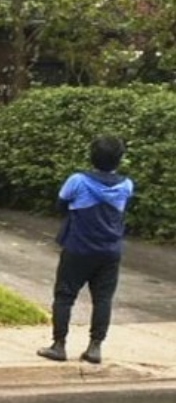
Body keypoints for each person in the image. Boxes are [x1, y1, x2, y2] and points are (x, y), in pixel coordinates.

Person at [37, 136, 134, 365]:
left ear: (92, 156)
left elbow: (60, 205)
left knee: (64, 296)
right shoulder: (126, 185)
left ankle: (59, 345)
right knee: (103, 299)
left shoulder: (78, 180)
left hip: (78, 247)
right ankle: (95, 347)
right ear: (119, 160)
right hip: (110, 250)